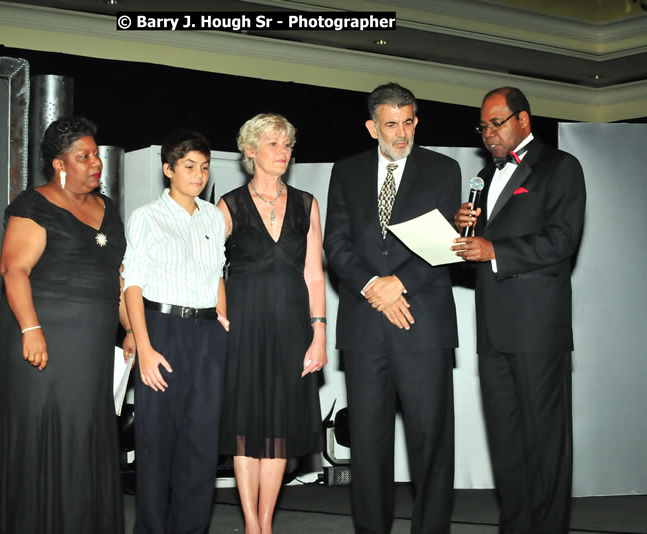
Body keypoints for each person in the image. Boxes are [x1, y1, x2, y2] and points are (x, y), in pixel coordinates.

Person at [0, 117, 133, 533]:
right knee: (44, 431)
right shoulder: (35, 204)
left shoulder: (108, 209)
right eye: (84, 156)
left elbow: (118, 277)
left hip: (91, 346)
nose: (96, 163)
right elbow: (14, 269)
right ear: (59, 164)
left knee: (85, 431)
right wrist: (31, 330)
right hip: (44, 338)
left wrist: (130, 328)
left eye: (96, 155)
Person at [323, 82, 461, 534]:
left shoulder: (444, 169)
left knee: (431, 444)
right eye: (391, 125)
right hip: (364, 329)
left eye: (408, 122)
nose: (401, 133)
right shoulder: (346, 171)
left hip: (423, 326)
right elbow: (336, 243)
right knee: (367, 446)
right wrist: (372, 287)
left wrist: (397, 284)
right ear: (372, 128)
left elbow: (447, 242)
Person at [452, 87, 585, 533]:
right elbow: (479, 254)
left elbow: (563, 240)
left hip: (537, 329)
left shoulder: (560, 167)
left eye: (496, 123)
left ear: (523, 120)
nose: (488, 134)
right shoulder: (484, 177)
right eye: (482, 127)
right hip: (493, 329)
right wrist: (464, 236)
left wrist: (494, 249)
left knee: (545, 443)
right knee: (506, 443)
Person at [217, 113, 327, 534]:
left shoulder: (307, 204)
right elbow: (209, 267)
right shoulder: (228, 205)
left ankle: (266, 522)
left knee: (280, 427)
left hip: (292, 328)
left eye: (287, 145)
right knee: (245, 426)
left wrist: (319, 332)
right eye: (274, 144)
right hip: (243, 327)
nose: (284, 152)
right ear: (250, 150)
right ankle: (251, 524)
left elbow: (314, 275)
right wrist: (219, 311)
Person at [122, 129, 228, 534]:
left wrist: (222, 317)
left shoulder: (214, 216)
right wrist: (144, 347)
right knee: (156, 442)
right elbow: (132, 284)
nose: (198, 175)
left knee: (201, 444)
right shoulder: (147, 216)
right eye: (189, 166)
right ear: (168, 169)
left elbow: (217, 273)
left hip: (207, 334)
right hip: (162, 330)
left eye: (204, 167)